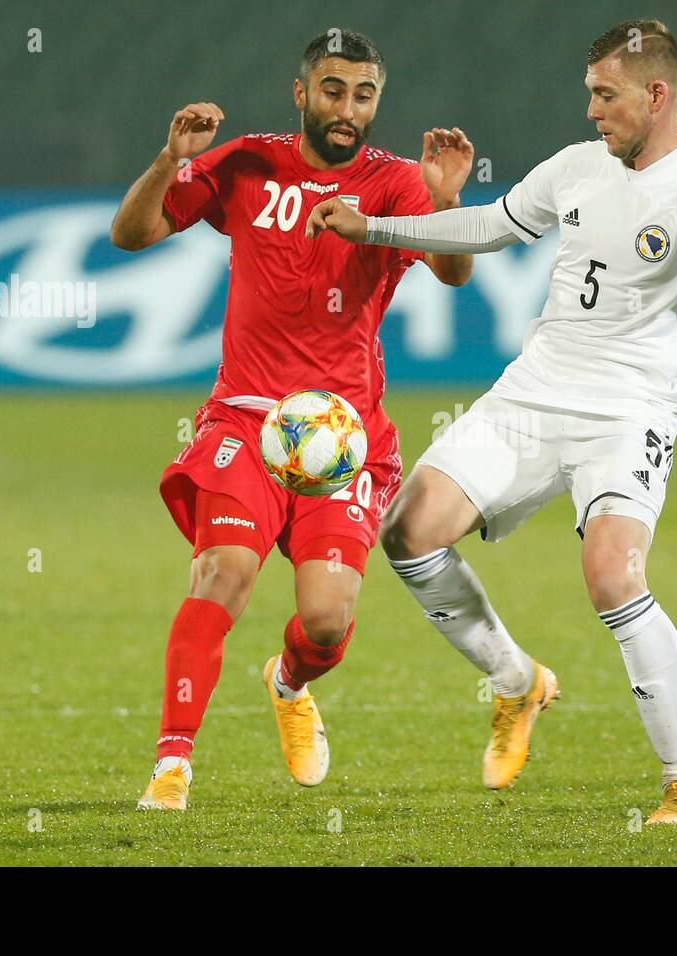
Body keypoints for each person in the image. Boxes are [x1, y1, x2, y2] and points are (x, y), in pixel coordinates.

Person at [306, 19, 677, 824]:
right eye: (590, 94)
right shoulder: (577, 167)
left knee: (613, 575)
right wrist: (376, 227)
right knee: (409, 531)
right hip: (534, 392)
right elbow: (487, 226)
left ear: (656, 96)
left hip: (630, 410)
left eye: (605, 95)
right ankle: (519, 683)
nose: (591, 111)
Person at [110, 29, 475, 810]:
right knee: (224, 574)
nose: (348, 110)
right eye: (334, 91)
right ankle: (172, 765)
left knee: (325, 623)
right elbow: (132, 233)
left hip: (342, 439)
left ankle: (287, 682)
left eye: (364, 95)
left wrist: (445, 203)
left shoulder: (397, 183)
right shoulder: (248, 164)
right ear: (301, 92)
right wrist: (169, 161)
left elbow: (451, 272)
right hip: (246, 422)